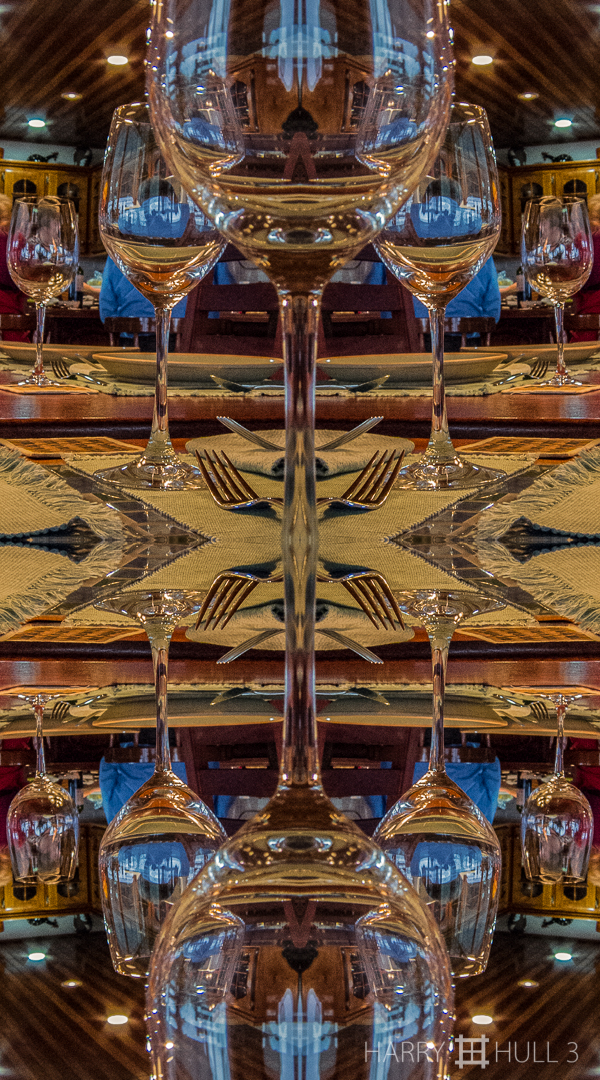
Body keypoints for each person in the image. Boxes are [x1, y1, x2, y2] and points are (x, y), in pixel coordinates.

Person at [569, 193, 600, 342]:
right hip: (590, 306)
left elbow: (573, 276)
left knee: (583, 354)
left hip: (591, 309)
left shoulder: (585, 239)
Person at [0, 194, 30, 342]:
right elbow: (26, 275)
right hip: (9, 306)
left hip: (9, 303)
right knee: (16, 352)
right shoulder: (15, 239)